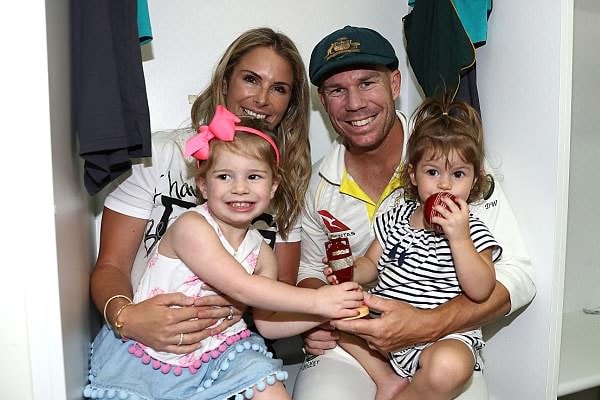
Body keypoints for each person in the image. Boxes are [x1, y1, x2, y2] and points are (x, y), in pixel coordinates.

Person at [293, 25, 535, 399]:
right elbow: (311, 272)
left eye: (367, 83)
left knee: (451, 372)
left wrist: (428, 324)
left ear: (395, 83)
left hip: (445, 336)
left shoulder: (451, 157)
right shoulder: (319, 185)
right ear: (323, 101)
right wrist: (318, 314)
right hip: (359, 339)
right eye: (337, 90)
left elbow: (517, 275)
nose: (354, 103)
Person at [84, 106, 364, 400]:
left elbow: (268, 323)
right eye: (224, 176)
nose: (240, 188)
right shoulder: (191, 227)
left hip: (218, 351)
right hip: (153, 352)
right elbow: (241, 286)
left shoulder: (261, 252)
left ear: (273, 187)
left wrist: (325, 313)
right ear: (203, 185)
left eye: (254, 176)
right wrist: (318, 300)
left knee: (269, 386)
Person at [91, 27, 311, 356]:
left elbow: (278, 296)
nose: (262, 98)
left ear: (290, 104)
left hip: (228, 347)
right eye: (250, 79)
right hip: (145, 344)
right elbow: (111, 267)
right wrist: (128, 317)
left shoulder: (284, 184)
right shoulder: (160, 155)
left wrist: (326, 311)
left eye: (279, 88)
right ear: (225, 83)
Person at [324, 96, 501, 400]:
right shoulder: (395, 218)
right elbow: (371, 264)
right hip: (383, 330)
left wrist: (459, 239)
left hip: (442, 339)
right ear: (413, 175)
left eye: (458, 174)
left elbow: (482, 289)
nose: (444, 185)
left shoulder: (471, 230)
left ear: (474, 182)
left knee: (451, 366)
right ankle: (385, 378)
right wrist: (349, 270)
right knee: (334, 316)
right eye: (432, 172)